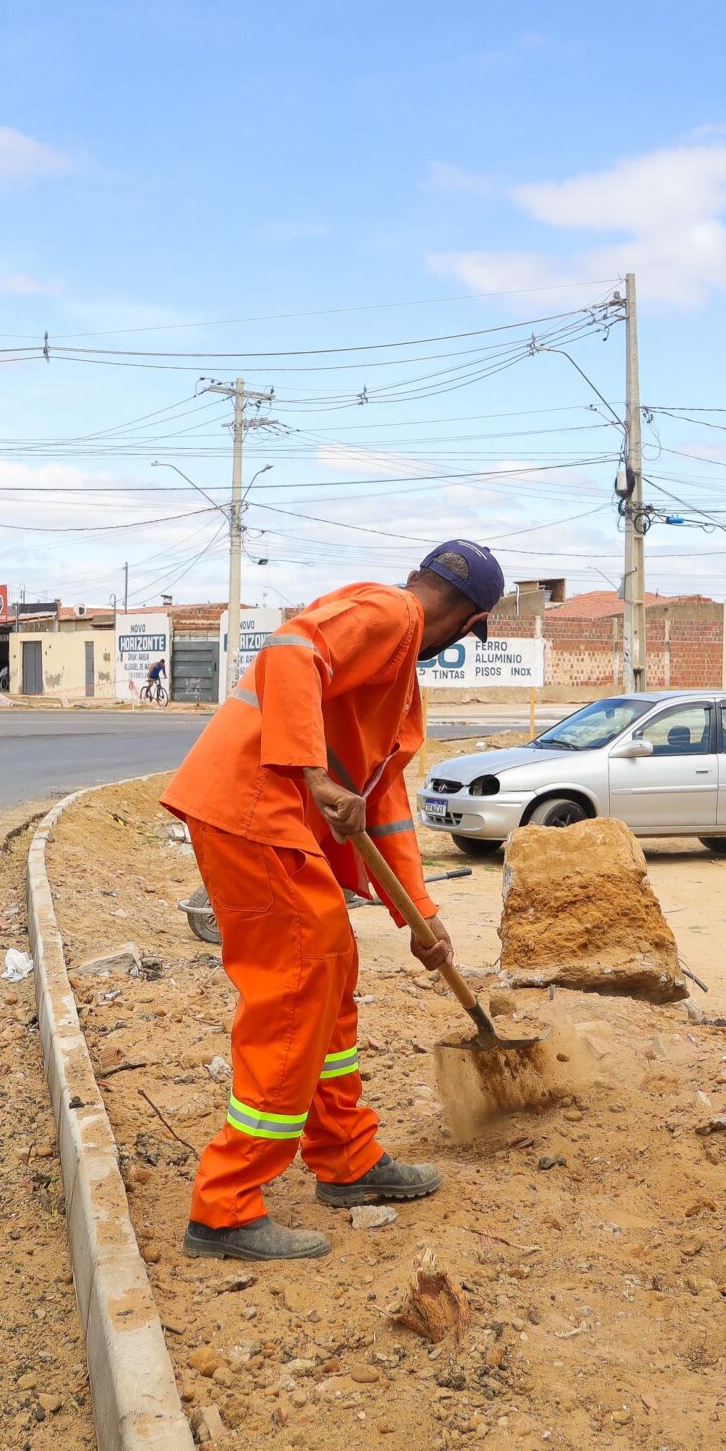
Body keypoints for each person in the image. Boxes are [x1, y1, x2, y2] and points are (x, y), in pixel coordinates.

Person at [161, 540, 502, 1260]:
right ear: (468, 625)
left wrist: (421, 916)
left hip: (270, 816)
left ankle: (347, 1158)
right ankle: (225, 1206)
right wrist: (312, 773)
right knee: (297, 982)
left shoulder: (394, 669)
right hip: (256, 809)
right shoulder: (390, 613)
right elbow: (289, 651)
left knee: (330, 972)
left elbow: (382, 806)